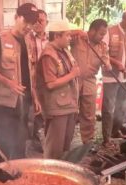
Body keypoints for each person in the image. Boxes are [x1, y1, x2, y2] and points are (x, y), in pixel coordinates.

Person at [0, 3, 41, 163]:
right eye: (26, 21)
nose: (29, 27)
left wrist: (35, 97)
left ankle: (15, 178)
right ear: (16, 17)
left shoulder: (29, 42)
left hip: (23, 103)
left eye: (32, 23)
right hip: (4, 104)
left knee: (19, 143)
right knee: (2, 145)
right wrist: (9, 83)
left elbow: (30, 73)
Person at [36, 20, 80, 159]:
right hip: (57, 107)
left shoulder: (64, 51)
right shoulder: (48, 55)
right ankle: (48, 175)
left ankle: (61, 173)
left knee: (65, 145)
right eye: (67, 35)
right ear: (57, 36)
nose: (70, 38)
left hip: (69, 105)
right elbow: (50, 83)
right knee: (54, 147)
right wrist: (72, 75)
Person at [71, 19, 111, 144]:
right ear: (92, 31)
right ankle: (65, 141)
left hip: (90, 81)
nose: (102, 37)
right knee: (70, 111)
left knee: (89, 114)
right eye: (101, 34)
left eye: (104, 34)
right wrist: (77, 31)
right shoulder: (78, 38)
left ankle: (88, 142)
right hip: (73, 80)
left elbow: (106, 61)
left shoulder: (102, 46)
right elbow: (60, 34)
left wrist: (108, 65)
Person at [101, 8, 126, 148]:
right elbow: (102, 53)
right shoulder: (110, 31)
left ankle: (116, 131)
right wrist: (116, 63)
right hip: (111, 76)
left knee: (122, 106)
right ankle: (106, 137)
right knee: (109, 107)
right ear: (124, 18)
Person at [25, 9, 49, 152]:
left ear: (46, 23)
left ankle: (40, 139)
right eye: (36, 20)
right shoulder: (26, 38)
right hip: (31, 80)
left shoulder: (51, 39)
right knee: (31, 112)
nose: (38, 23)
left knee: (44, 111)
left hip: (46, 81)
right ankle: (31, 141)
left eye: (42, 21)